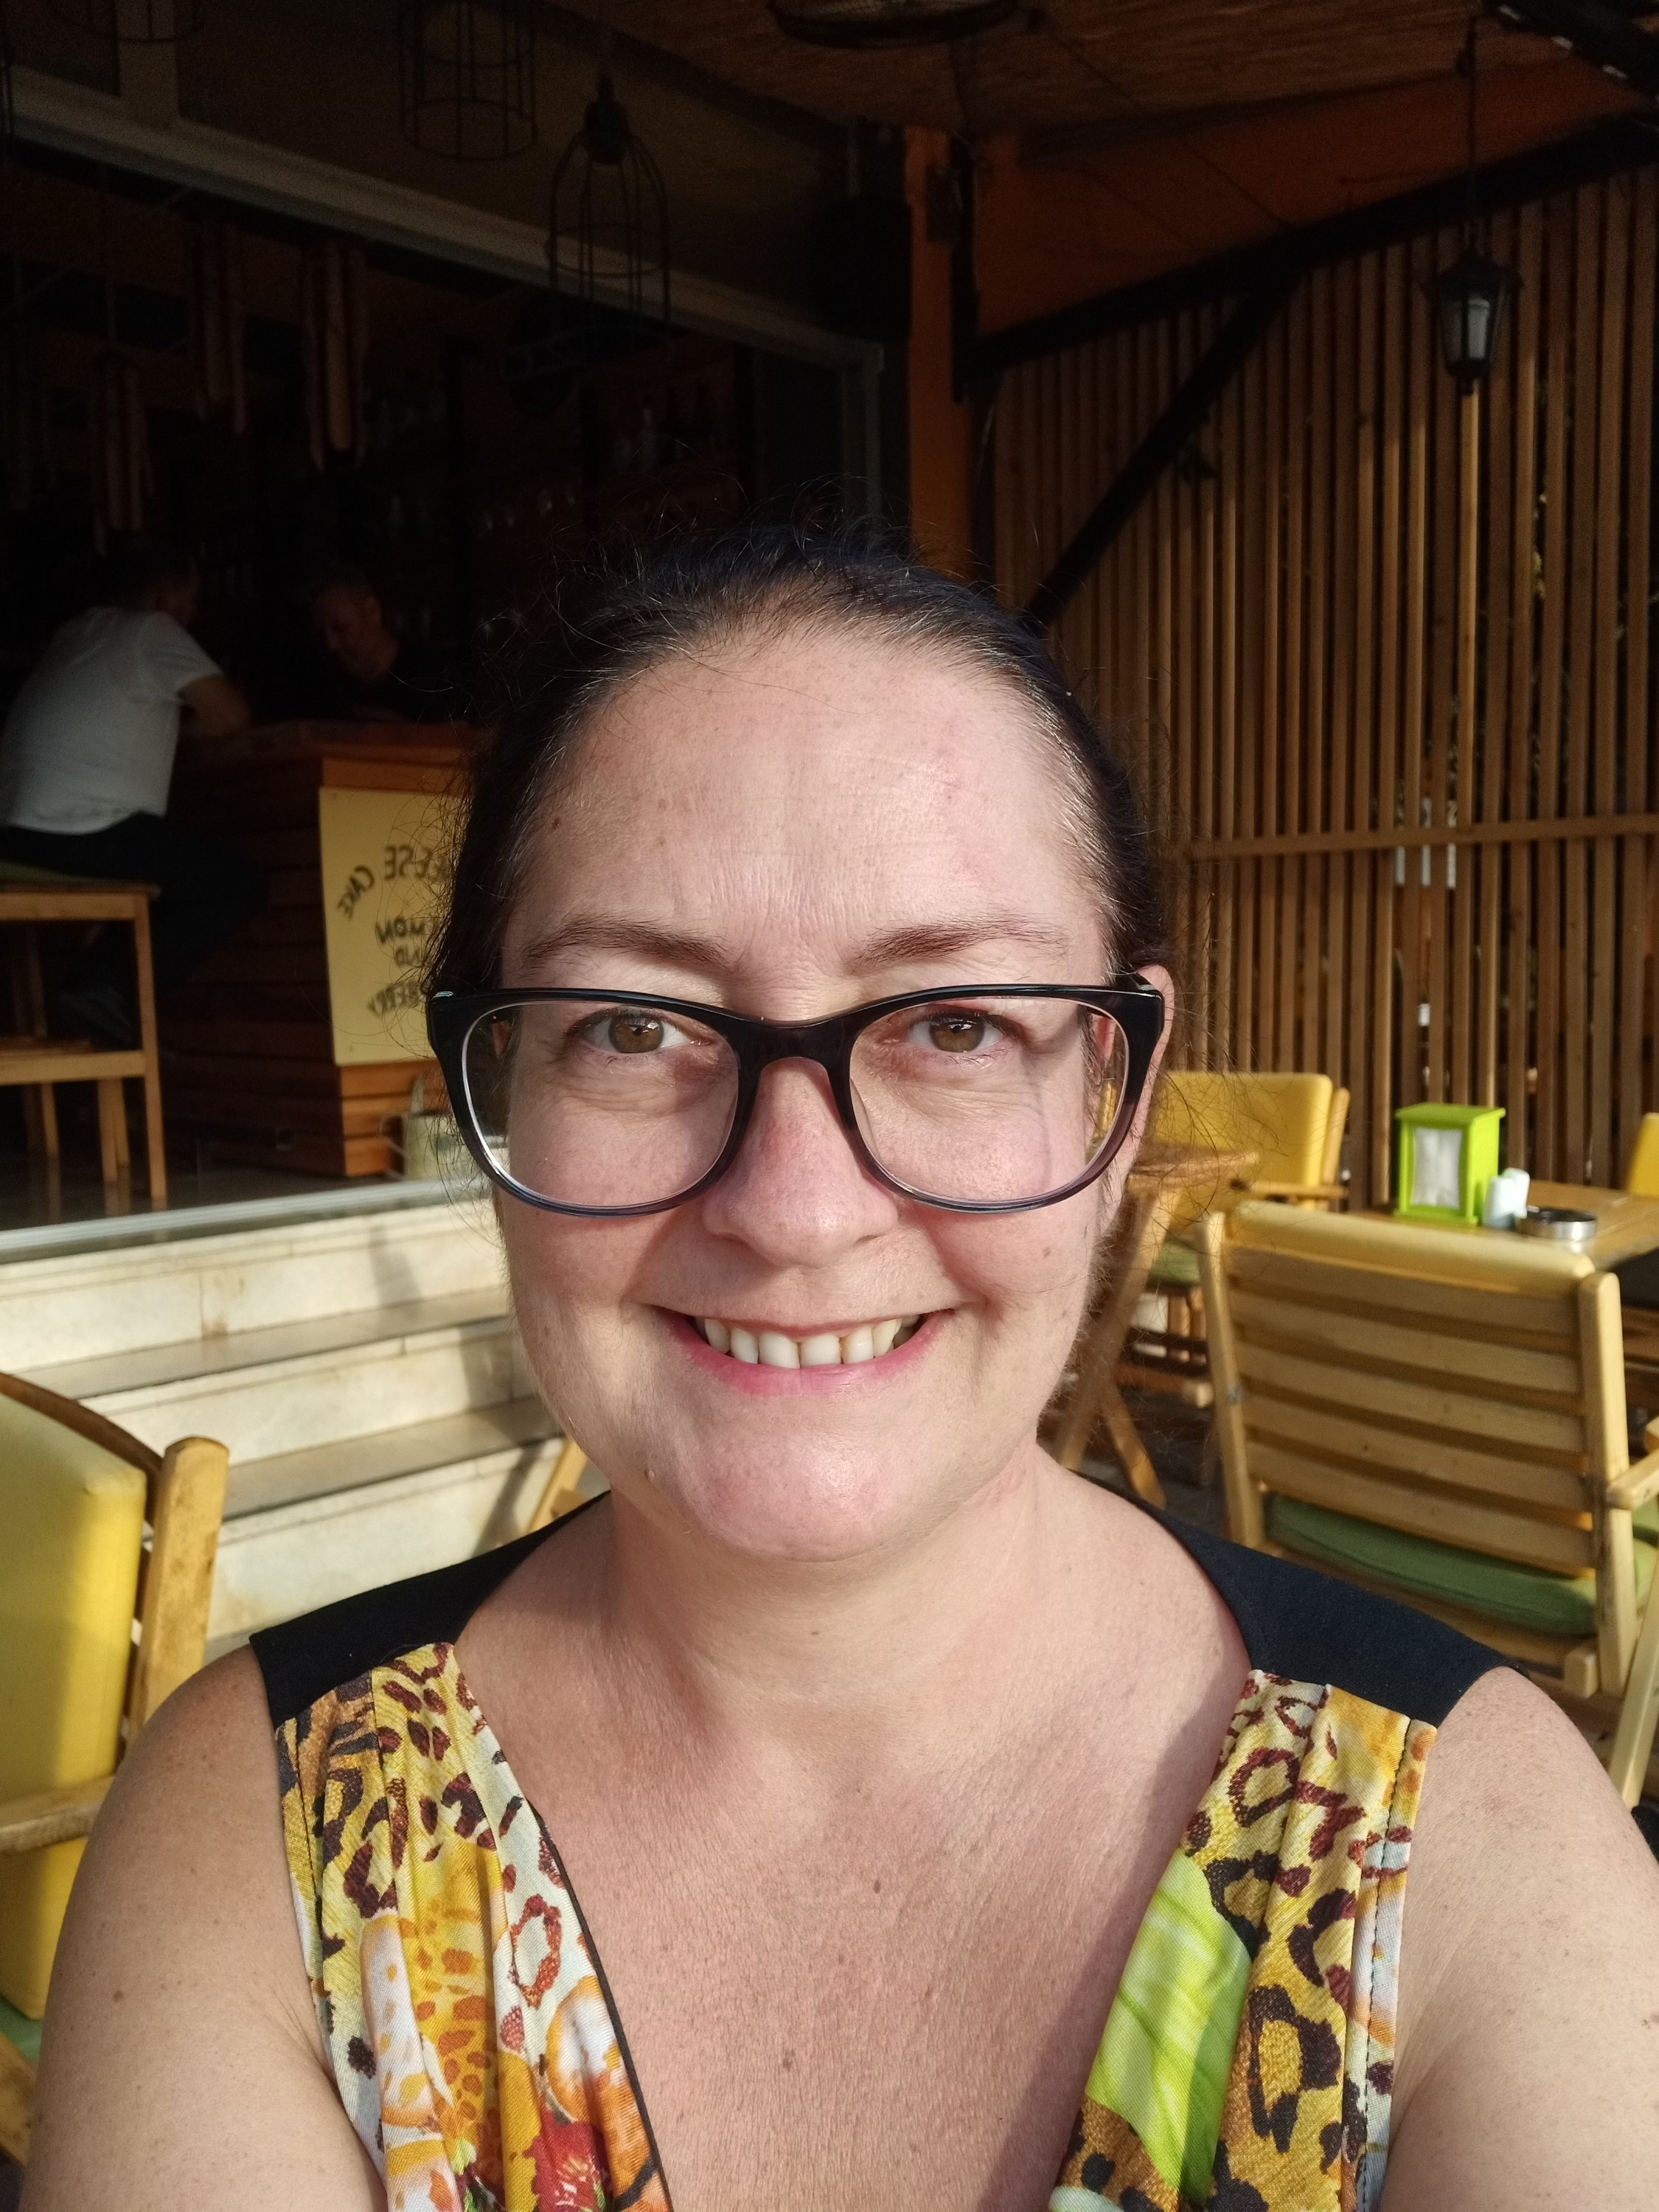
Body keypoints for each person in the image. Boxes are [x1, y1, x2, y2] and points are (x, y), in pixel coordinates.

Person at [23, 526, 1659, 2211]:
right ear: (496, 1090)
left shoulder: (1471, 1856)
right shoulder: (262, 1838)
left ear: (1115, 1101)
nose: (795, 1211)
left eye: (954, 1022)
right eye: (634, 1024)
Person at [0, 539, 260, 1046]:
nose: (194, 616)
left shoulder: (73, 633)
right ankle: (105, 986)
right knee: (237, 884)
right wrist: (180, 734)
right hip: (80, 831)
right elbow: (230, 714)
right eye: (191, 601)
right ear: (164, 596)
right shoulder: (151, 629)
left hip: (16, 835)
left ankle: (100, 988)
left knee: (171, 875)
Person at [305, 561, 466, 724]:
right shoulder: (325, 685)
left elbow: (459, 736)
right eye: (320, 634)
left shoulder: (433, 679)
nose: (331, 645)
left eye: (340, 628)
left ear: (372, 610)